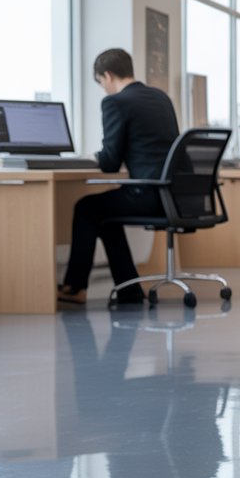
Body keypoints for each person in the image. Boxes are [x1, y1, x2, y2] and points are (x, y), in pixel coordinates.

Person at [58, 49, 179, 305]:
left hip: (149, 195)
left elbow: (110, 162)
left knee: (86, 208)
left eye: (101, 82)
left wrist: (95, 156)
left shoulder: (115, 102)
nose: (103, 89)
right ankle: (129, 290)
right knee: (104, 215)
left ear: (108, 75)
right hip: (174, 194)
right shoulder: (161, 97)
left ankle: (75, 287)